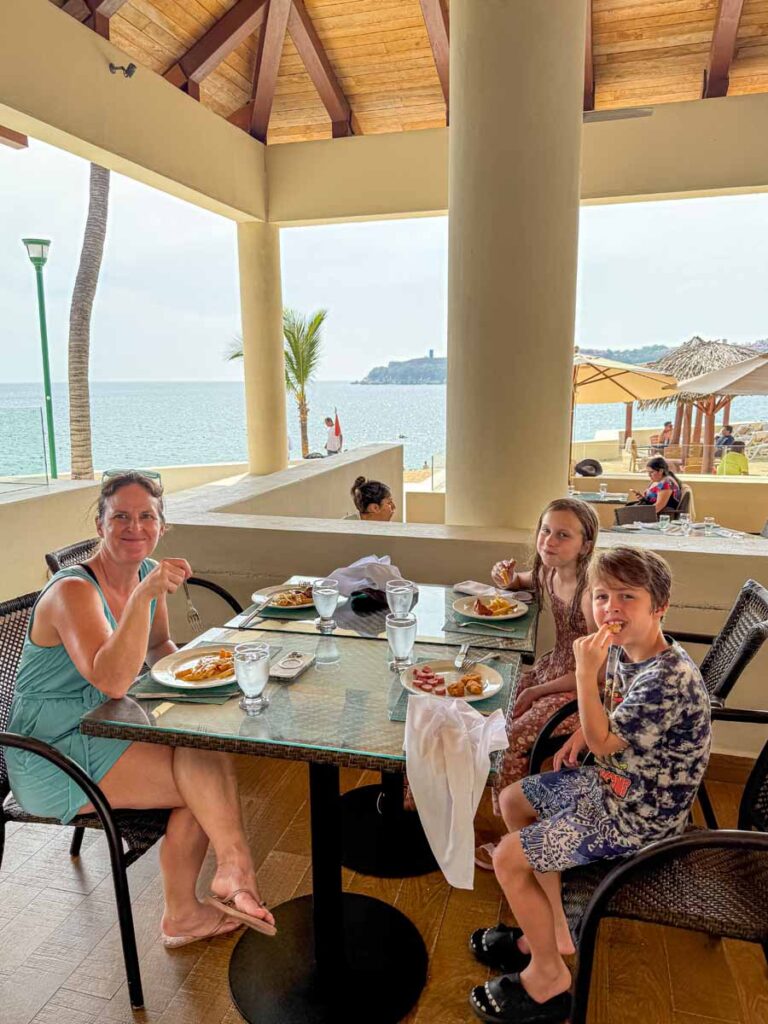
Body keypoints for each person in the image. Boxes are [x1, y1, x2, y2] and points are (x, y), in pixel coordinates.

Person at [5, 471, 275, 947]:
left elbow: (158, 647)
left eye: (146, 516)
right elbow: (110, 680)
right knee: (202, 787)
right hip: (51, 752)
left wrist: (201, 676)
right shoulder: (73, 591)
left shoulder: (144, 571)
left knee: (203, 744)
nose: (135, 527)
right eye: (121, 517)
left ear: (162, 526)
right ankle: (200, 900)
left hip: (106, 728)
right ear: (100, 524)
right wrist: (145, 595)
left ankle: (223, 879)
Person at [468, 547, 711, 1022]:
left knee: (508, 858)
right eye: (602, 596)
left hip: (640, 816)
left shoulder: (667, 679)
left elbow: (604, 742)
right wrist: (584, 728)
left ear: (659, 607)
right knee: (513, 800)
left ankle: (548, 977)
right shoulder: (627, 647)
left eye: (627, 596)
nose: (610, 608)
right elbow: (613, 712)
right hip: (615, 783)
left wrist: (584, 681)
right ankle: (555, 930)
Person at [474, 499, 600, 868]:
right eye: (546, 531)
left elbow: (599, 672)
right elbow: (522, 581)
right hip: (553, 671)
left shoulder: (590, 593)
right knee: (490, 700)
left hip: (583, 691)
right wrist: (508, 578)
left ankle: (516, 842)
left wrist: (537, 691)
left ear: (586, 546)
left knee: (511, 737)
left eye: (563, 535)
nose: (549, 540)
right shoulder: (549, 571)